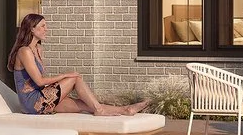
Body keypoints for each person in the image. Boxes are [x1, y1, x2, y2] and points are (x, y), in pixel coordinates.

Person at [8, 13, 147, 116]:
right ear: (32, 29)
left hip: (42, 97)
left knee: (84, 105)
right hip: (32, 103)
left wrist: (61, 91)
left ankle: (126, 110)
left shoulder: (38, 49)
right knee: (75, 78)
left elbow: (41, 83)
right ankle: (100, 110)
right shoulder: (24, 51)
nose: (47, 29)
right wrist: (66, 75)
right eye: (43, 26)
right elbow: (39, 81)